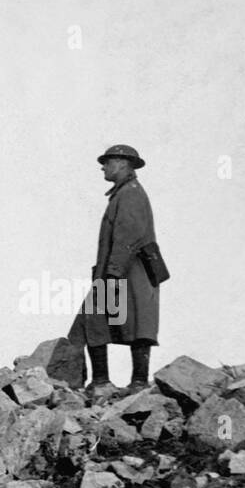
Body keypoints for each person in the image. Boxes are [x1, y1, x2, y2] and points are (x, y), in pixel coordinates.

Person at [68, 144, 159, 398]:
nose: (103, 167)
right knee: (131, 323)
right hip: (126, 273)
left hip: (125, 273)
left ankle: (106, 382)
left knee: (99, 319)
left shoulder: (129, 194)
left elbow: (127, 237)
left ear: (121, 163)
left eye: (107, 162)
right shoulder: (126, 193)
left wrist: (112, 274)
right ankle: (129, 382)